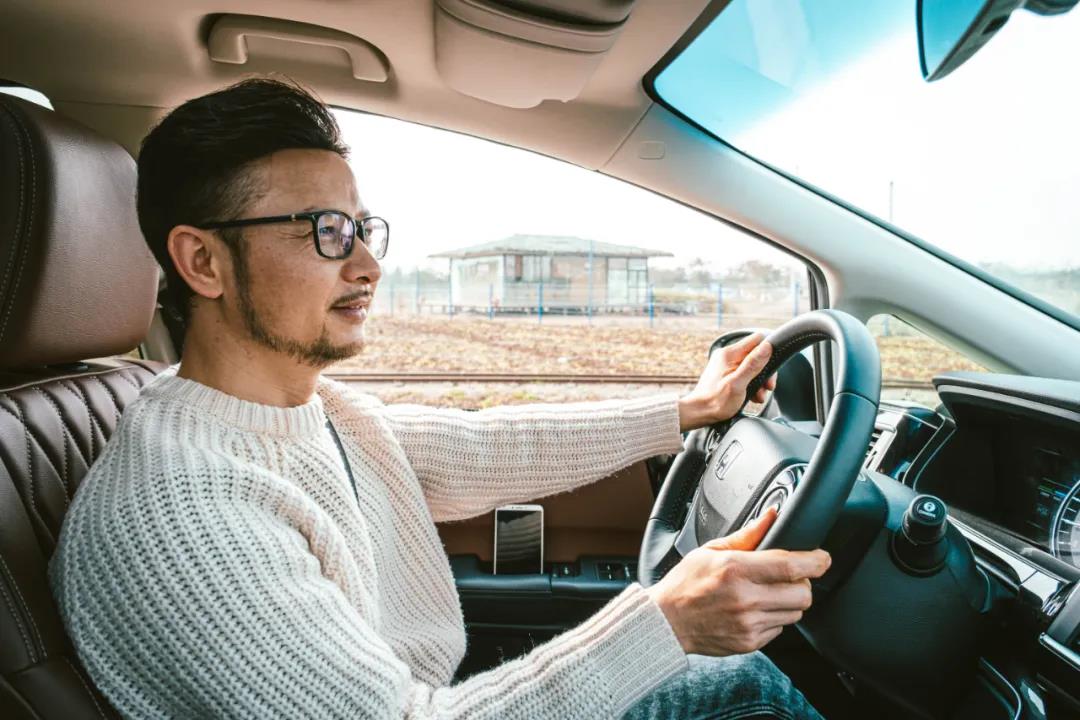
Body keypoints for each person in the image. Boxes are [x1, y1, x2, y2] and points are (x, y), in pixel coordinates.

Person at [49, 78, 830, 720]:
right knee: (744, 689)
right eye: (326, 231)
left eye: (362, 229)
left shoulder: (312, 410)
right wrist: (665, 623)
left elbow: (483, 447)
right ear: (203, 262)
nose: (367, 265)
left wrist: (687, 411)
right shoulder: (184, 511)